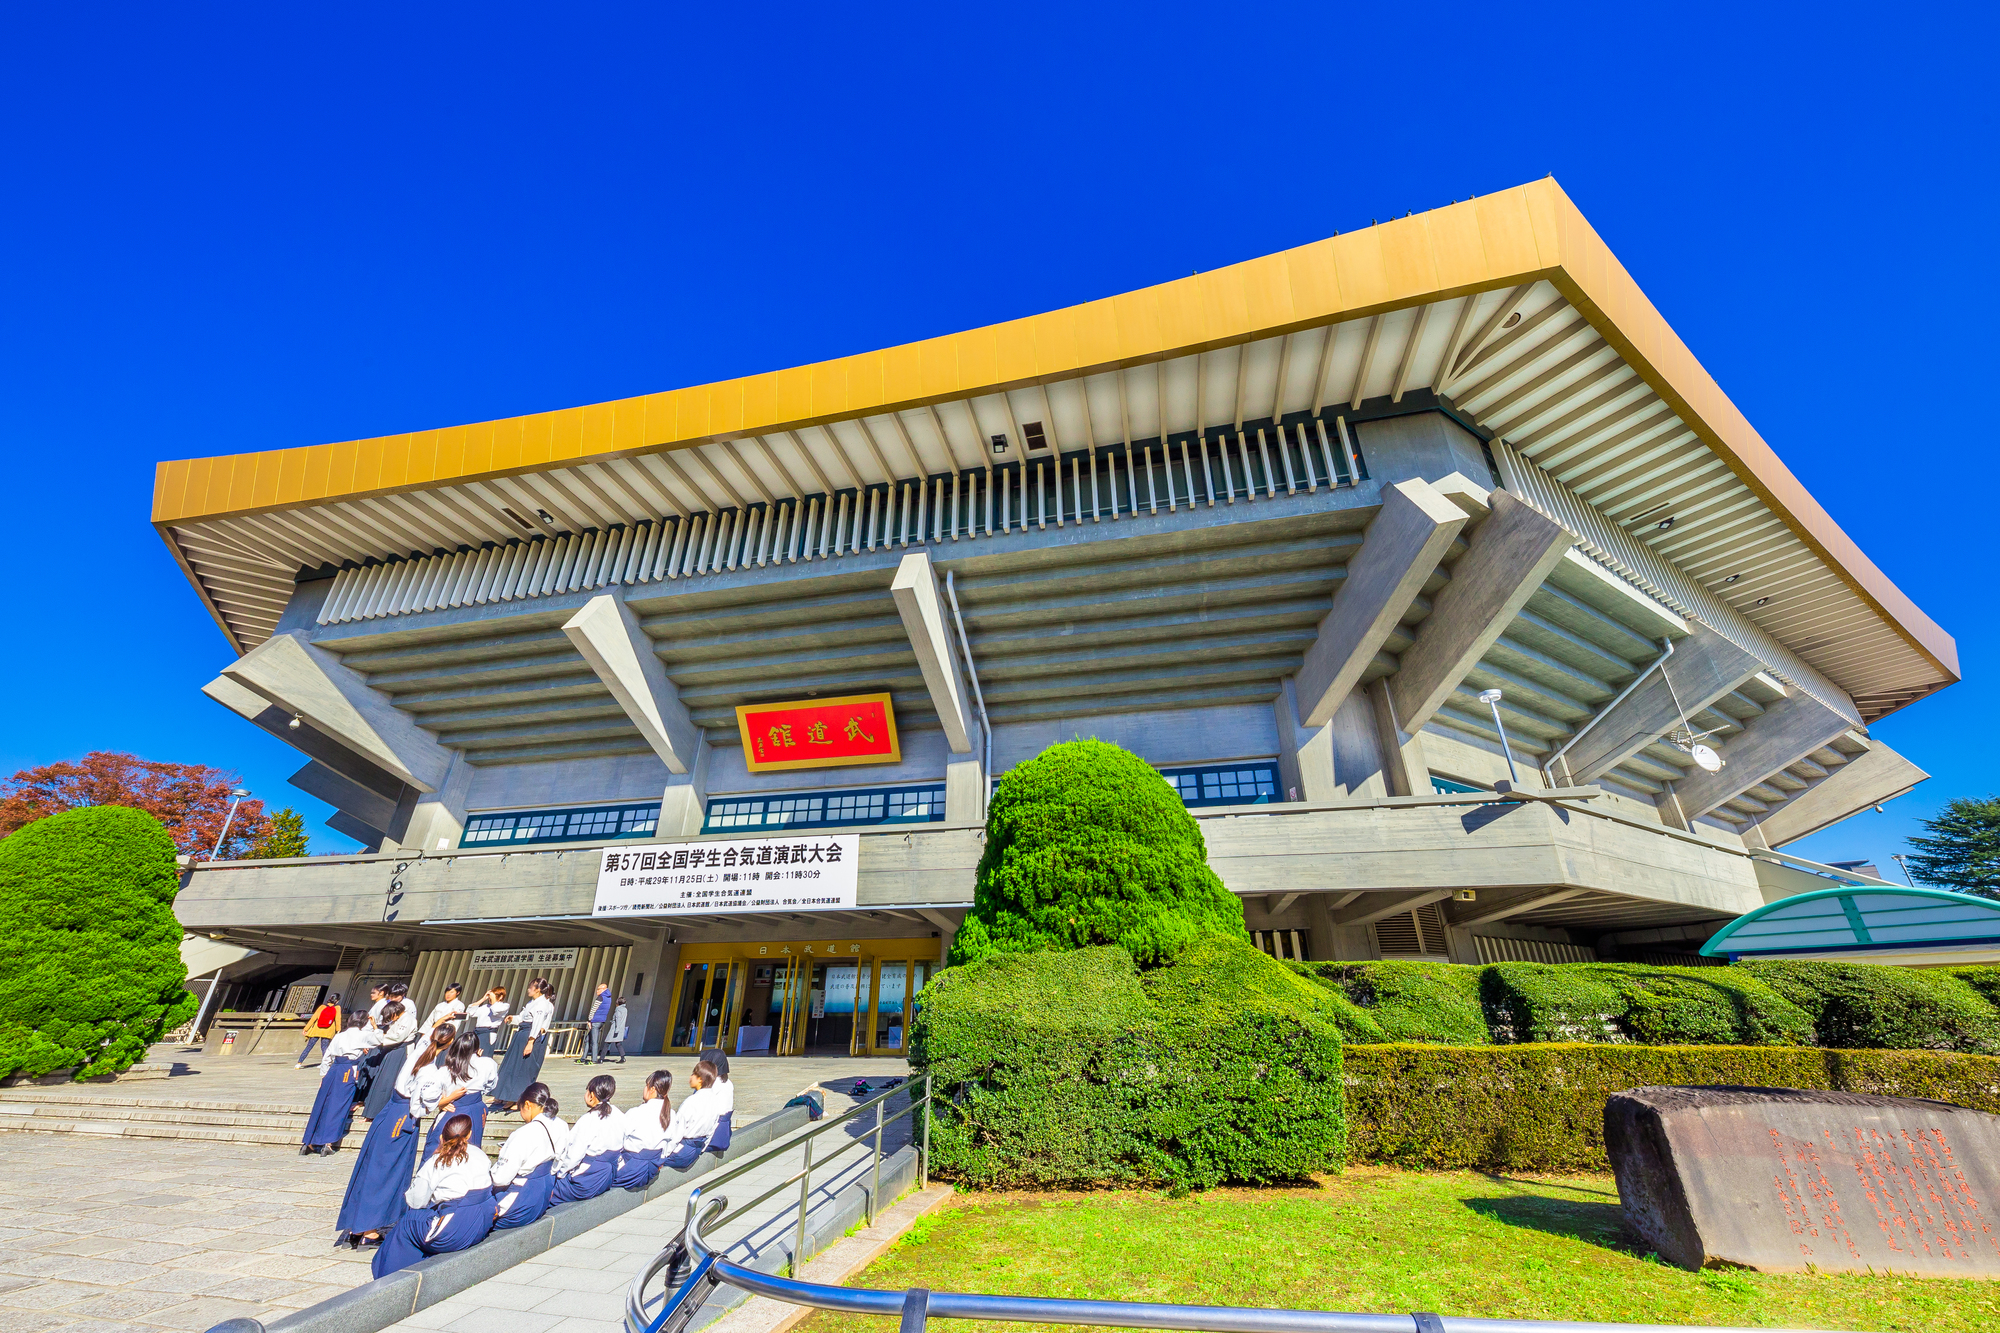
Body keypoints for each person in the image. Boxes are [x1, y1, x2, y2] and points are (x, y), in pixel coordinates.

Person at [334, 1023, 428, 1248]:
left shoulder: (411, 1058)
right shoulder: (428, 1069)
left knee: (371, 1167)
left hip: (389, 1111)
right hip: (404, 1115)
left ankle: (355, 1226)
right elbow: (419, 1105)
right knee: (389, 1171)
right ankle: (371, 1229)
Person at [371, 1113, 493, 1277]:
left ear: (442, 1137)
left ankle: (387, 1276)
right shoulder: (480, 1155)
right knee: (426, 1221)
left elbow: (415, 1201)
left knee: (409, 1222)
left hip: (455, 1228)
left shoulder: (438, 1161)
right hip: (482, 1221)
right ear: (470, 1134)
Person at [492, 1083, 567, 1230]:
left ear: (527, 1104)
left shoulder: (523, 1134)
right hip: (543, 1196)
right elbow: (559, 1164)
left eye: (520, 1109)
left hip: (520, 1202)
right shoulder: (561, 1125)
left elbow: (500, 1178)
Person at [301, 1011, 370, 1155]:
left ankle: (309, 1141)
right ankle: (328, 1143)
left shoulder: (339, 1036)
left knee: (322, 1104)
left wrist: (324, 1075)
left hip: (334, 1069)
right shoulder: (363, 1035)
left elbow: (327, 1056)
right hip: (348, 1069)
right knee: (338, 1105)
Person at [551, 1074, 622, 1203]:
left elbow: (573, 1157)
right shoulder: (619, 1115)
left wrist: (560, 1174)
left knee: (546, 1192)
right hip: (606, 1177)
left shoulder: (589, 1120)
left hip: (586, 1180)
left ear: (592, 1095)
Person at [490, 978, 555, 1110]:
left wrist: (531, 1041)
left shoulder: (542, 1004)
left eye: (531, 987)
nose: (528, 989)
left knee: (524, 1069)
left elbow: (537, 1024)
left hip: (531, 1035)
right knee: (512, 1065)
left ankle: (518, 1098)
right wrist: (513, 1019)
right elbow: (522, 1017)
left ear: (537, 989)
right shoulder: (532, 1002)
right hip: (522, 1032)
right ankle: (505, 1095)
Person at [611, 1069, 674, 1190]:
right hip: (653, 1167)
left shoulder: (636, 1112)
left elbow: (619, 1139)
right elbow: (672, 1142)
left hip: (631, 1167)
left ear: (652, 1089)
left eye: (647, 1085)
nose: (644, 1089)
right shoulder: (671, 1114)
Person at [361, 992, 418, 1121]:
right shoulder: (399, 1019)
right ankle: (373, 1110)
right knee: (381, 1080)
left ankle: (379, 1112)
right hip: (392, 1050)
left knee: (387, 1081)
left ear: (395, 1012)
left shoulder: (408, 1019)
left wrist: (380, 1037)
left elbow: (397, 1037)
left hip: (401, 1051)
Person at [660, 1060, 724, 1171]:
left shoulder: (691, 1102)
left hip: (681, 1152)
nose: (690, 1077)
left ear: (700, 1079)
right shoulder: (715, 1100)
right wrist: (702, 1148)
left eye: (693, 1074)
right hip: (697, 1149)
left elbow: (677, 1133)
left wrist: (663, 1156)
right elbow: (713, 1127)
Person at [296, 992, 343, 1068]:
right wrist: (338, 1030)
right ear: (337, 1001)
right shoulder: (337, 1008)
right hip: (328, 1031)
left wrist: (306, 1028)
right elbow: (338, 1019)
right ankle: (324, 1064)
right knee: (324, 1048)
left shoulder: (322, 1007)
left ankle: (299, 1063)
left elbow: (314, 1018)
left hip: (317, 1029)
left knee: (309, 1046)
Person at [469, 986, 510, 1057]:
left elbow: (496, 1010)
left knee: (483, 1056)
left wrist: (493, 999)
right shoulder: (485, 1006)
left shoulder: (504, 1006)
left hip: (487, 1033)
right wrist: (483, 999)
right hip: (477, 1032)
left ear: (500, 997)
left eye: (494, 995)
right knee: (472, 1055)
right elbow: (470, 1012)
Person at [581, 982, 614, 1064]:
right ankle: (583, 1058)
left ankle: (594, 1059)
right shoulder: (609, 998)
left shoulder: (600, 998)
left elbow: (594, 1009)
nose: (597, 991)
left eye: (599, 989)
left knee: (594, 1041)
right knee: (587, 1039)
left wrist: (589, 1020)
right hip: (602, 1021)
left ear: (603, 989)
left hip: (595, 1021)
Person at [603, 996, 628, 1064]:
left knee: (607, 1043)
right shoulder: (625, 1009)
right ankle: (623, 1057)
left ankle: (601, 1058)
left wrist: (616, 1030)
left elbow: (618, 1019)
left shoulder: (618, 1009)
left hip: (615, 1029)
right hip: (621, 1028)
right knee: (618, 1043)